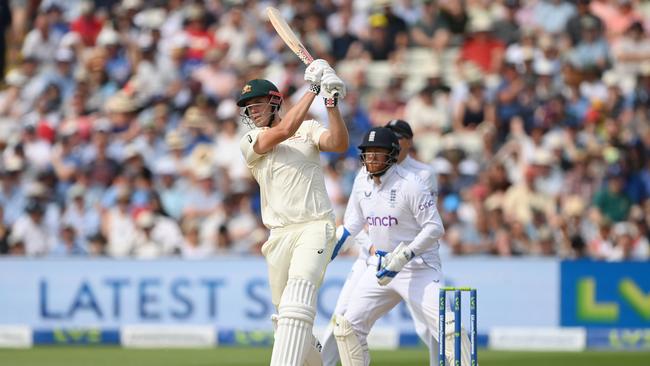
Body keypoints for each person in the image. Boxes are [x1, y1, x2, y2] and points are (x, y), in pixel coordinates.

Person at [326, 127, 470, 365]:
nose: (371, 158)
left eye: (378, 152)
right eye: (368, 152)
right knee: (348, 328)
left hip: (418, 268)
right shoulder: (362, 183)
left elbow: (435, 228)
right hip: (380, 268)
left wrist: (404, 255)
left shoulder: (411, 184)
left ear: (392, 155)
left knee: (450, 329)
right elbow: (351, 226)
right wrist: (324, 252)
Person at [238, 59, 348, 366]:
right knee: (285, 322)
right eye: (248, 107)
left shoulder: (309, 128)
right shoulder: (250, 140)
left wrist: (331, 102)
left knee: (299, 294)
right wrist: (314, 89)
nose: (252, 111)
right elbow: (286, 129)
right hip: (279, 235)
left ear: (275, 102)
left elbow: (339, 144)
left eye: (257, 104)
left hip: (315, 225)